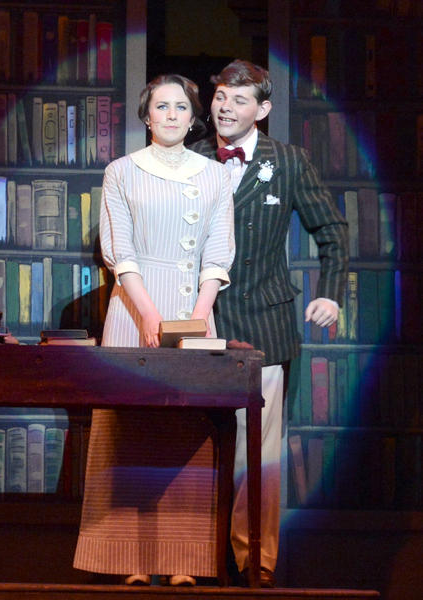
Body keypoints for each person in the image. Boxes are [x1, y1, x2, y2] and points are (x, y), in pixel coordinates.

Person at [189, 60, 349, 588]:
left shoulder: (289, 161)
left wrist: (330, 294)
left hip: (266, 323)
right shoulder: (188, 157)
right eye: (220, 98)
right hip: (198, 321)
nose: (225, 108)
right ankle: (192, 559)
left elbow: (331, 229)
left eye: (238, 100)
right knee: (193, 446)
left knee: (261, 452)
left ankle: (254, 561)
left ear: (263, 109)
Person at [73, 74, 235, 587]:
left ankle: (183, 562)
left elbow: (217, 251)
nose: (171, 115)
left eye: (181, 107)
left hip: (193, 307)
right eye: (161, 106)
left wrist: (202, 310)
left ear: (193, 118)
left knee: (186, 431)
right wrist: (145, 311)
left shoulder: (214, 175)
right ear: (147, 116)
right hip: (134, 305)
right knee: (130, 429)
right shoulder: (121, 171)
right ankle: (129, 560)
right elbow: (120, 250)